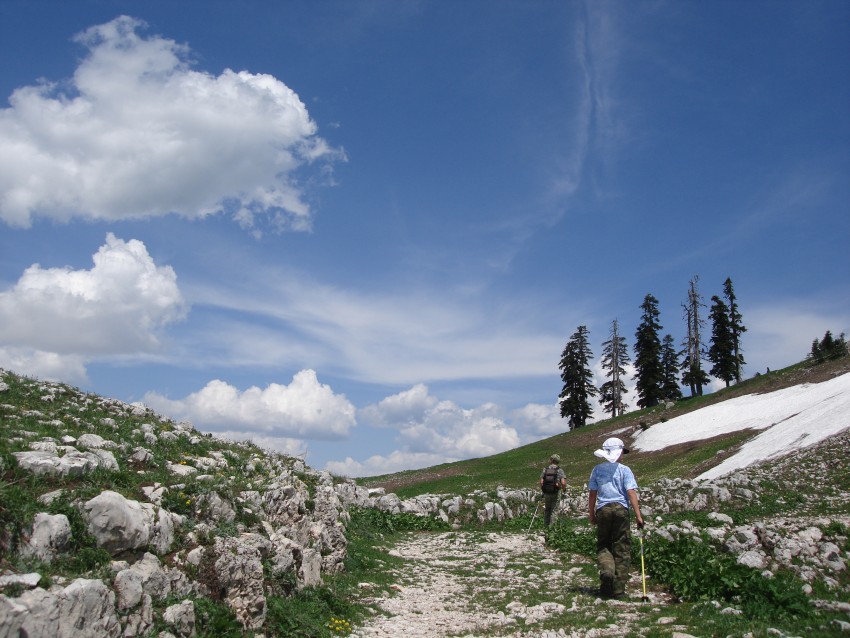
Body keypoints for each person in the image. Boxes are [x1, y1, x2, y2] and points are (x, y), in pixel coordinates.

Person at [587, 437, 644, 599]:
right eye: (622, 453)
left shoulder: (597, 469)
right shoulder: (625, 470)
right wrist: (638, 515)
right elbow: (631, 492)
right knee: (622, 547)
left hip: (603, 509)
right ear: (618, 453)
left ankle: (606, 572)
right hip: (621, 510)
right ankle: (618, 589)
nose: (623, 456)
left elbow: (592, 493)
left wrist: (591, 513)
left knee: (603, 544)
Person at [539, 453, 567, 526]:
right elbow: (563, 483)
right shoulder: (559, 470)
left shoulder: (545, 469)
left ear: (551, 460)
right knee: (554, 510)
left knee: (547, 509)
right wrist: (564, 489)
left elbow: (541, 481)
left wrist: (543, 490)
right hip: (556, 492)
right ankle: (551, 529)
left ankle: (545, 527)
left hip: (547, 492)